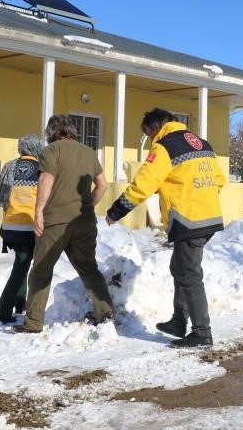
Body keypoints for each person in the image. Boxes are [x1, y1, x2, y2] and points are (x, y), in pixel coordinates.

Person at [106, 107, 226, 348]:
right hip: (209, 216)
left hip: (188, 219)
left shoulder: (164, 147)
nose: (150, 139)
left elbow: (144, 184)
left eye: (148, 134)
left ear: (154, 128)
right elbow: (219, 181)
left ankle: (202, 332)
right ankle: (178, 321)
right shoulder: (202, 144)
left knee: (189, 275)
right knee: (178, 267)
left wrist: (116, 211)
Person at [13, 115, 115, 333]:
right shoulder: (89, 153)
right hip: (84, 222)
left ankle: (33, 323)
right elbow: (103, 185)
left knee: (41, 270)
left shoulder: (51, 151)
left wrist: (39, 211)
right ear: (71, 131)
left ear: (51, 132)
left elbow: (46, 179)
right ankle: (105, 312)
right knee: (88, 268)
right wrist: (87, 206)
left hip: (55, 221)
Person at [0, 134, 45, 323]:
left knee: (21, 262)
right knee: (21, 267)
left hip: (10, 227)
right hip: (31, 226)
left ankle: (19, 303)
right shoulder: (42, 169)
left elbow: (0, 198)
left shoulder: (9, 166)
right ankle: (3, 311)